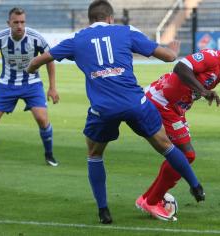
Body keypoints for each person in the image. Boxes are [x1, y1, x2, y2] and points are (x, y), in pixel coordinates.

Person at [27, 0, 205, 224]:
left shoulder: (77, 39)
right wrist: (172, 50)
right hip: (136, 103)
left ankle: (103, 211)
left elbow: (40, 60)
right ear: (110, 18)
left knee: (95, 155)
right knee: (166, 146)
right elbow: (168, 57)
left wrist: (30, 68)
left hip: (103, 109)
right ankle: (196, 186)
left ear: (91, 19)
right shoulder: (125, 31)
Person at [136, 45, 220, 221]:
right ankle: (152, 200)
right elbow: (180, 67)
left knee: (183, 154)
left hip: (174, 108)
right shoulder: (212, 57)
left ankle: (148, 198)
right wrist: (203, 91)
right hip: (162, 102)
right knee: (187, 154)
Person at [0, 8, 59, 166]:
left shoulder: (36, 38)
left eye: (22, 22)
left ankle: (49, 154)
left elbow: (50, 59)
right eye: (16, 22)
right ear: (9, 23)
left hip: (32, 84)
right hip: (6, 84)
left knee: (42, 118)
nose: (20, 26)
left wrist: (52, 87)